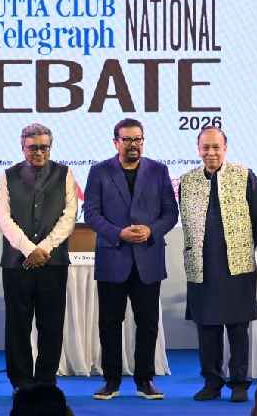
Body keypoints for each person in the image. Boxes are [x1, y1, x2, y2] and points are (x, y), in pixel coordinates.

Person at [84, 118, 179, 400]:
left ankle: (144, 381)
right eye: (127, 139)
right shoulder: (99, 171)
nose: (133, 144)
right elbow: (91, 213)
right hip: (113, 258)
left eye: (137, 139)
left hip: (147, 259)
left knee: (148, 324)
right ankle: (111, 380)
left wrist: (151, 230)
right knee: (109, 324)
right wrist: (118, 233)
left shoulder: (159, 171)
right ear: (116, 142)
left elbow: (170, 213)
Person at [179, 126, 257, 402]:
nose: (211, 152)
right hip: (202, 265)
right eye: (206, 147)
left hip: (236, 265)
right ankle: (211, 382)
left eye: (216, 147)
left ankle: (239, 383)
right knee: (207, 327)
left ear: (225, 148)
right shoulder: (187, 181)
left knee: (238, 327)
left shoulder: (245, 176)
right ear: (198, 149)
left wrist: (243, 246)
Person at [0, 123, 77, 392]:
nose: (39, 152)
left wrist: (45, 248)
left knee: (51, 324)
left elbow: (69, 216)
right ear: (23, 147)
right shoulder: (8, 175)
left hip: (52, 263)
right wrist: (29, 249)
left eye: (44, 147)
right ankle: (20, 381)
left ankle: (45, 380)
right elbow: (3, 218)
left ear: (50, 148)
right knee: (17, 325)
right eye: (33, 147)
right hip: (16, 264)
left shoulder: (65, 173)